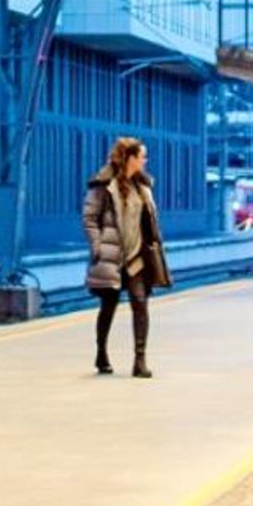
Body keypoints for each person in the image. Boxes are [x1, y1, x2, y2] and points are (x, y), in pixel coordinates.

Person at [80, 136, 171, 378]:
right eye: (142, 156)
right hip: (111, 255)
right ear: (130, 158)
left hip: (137, 256)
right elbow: (89, 218)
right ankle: (101, 353)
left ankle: (139, 360)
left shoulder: (143, 187)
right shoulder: (103, 185)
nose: (145, 161)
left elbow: (151, 222)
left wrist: (155, 247)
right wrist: (97, 246)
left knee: (140, 303)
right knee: (108, 306)